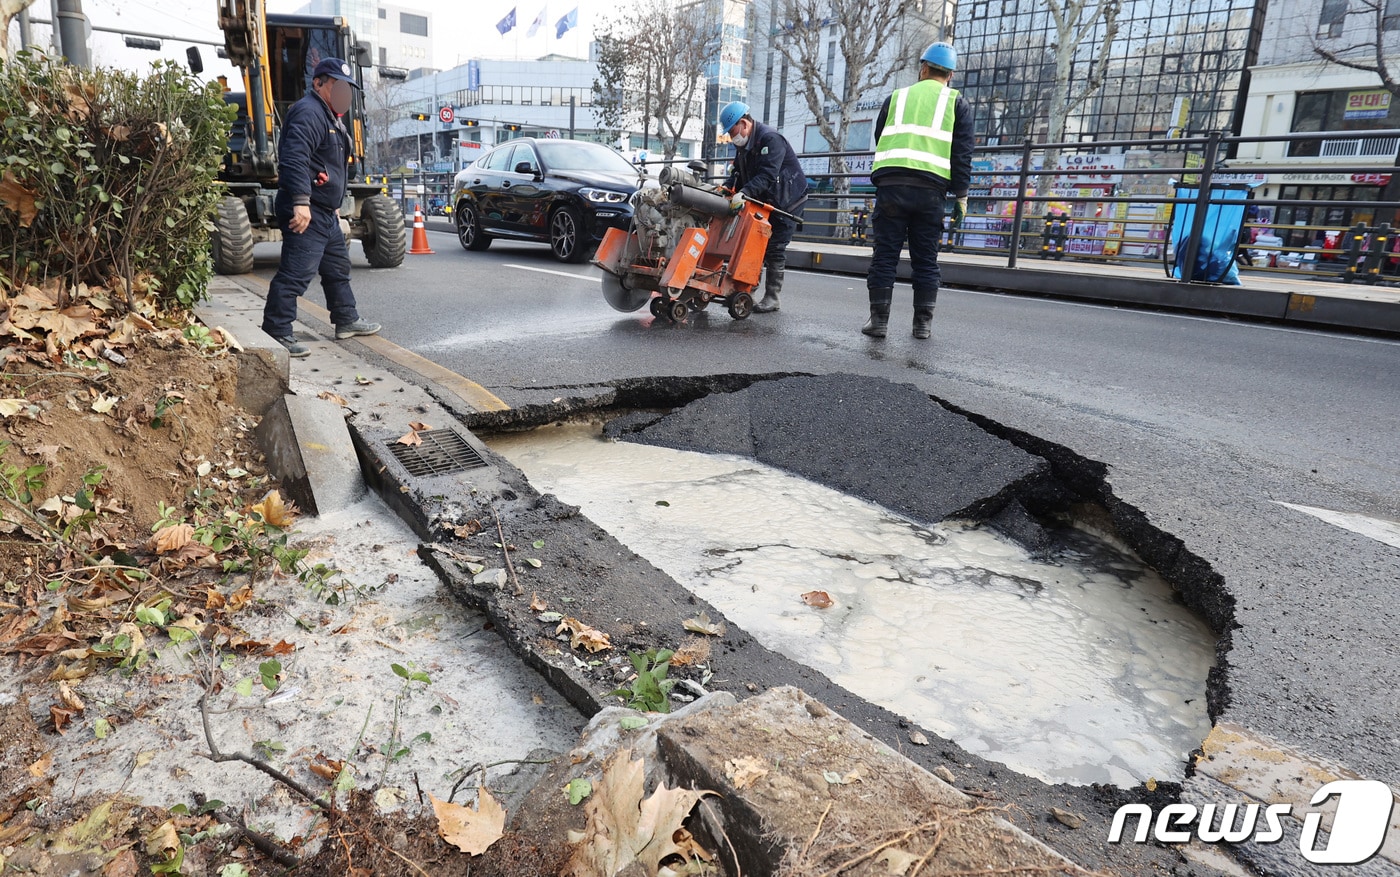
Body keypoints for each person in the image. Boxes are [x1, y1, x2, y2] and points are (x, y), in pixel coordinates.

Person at [261, 57, 380, 358]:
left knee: (338, 269)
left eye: (347, 88)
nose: (344, 94)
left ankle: (346, 320)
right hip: (307, 211)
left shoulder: (331, 117)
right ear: (318, 83)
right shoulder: (308, 112)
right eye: (337, 86)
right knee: (296, 273)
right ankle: (277, 330)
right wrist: (302, 203)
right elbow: (295, 159)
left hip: (325, 212)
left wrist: (335, 204)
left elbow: (329, 166)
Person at [862, 42, 974, 340]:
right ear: (949, 75)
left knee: (885, 255)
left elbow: (880, 136)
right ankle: (921, 325)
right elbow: (961, 155)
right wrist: (961, 197)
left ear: (922, 68)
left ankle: (879, 322)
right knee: (926, 258)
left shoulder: (896, 98)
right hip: (931, 191)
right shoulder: (957, 103)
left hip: (891, 187)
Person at [720, 101, 809, 313]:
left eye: (733, 132)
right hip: (766, 200)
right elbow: (738, 174)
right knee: (752, 243)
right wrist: (727, 188)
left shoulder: (771, 139)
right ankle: (746, 290)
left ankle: (772, 297)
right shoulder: (743, 146)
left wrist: (746, 193)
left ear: (743, 123)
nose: (732, 138)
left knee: (774, 247)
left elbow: (768, 175)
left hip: (788, 199)